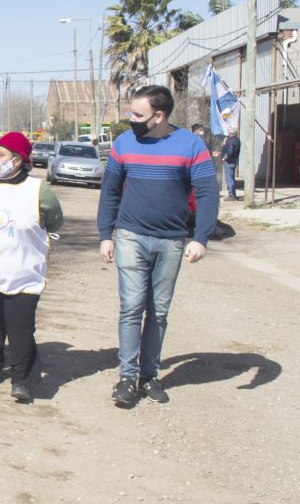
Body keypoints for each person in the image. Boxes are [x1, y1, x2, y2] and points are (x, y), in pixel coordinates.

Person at [97, 85, 218, 407]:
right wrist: (105, 234)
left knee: (159, 311)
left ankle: (149, 376)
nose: (130, 119)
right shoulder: (123, 143)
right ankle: (127, 376)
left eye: (138, 114)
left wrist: (201, 238)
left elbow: (207, 192)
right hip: (130, 235)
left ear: (159, 115)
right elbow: (109, 190)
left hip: (171, 240)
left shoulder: (191, 145)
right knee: (132, 306)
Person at [0, 132, 63, 401]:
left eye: (1, 155)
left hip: (22, 273)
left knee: (20, 328)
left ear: (18, 160)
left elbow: (54, 220)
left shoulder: (38, 189)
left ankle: (22, 379)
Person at [221, 127, 241, 200]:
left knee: (229, 179)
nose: (228, 133)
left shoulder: (230, 140)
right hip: (234, 161)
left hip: (229, 161)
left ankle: (231, 195)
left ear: (231, 133)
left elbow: (230, 151)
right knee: (232, 178)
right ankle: (233, 194)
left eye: (229, 132)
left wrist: (225, 157)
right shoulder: (237, 140)